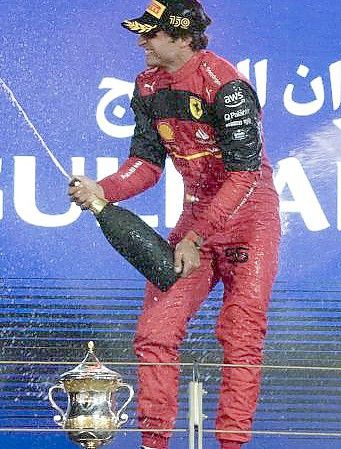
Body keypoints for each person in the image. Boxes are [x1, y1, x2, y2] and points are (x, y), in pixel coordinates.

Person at [68, 1, 280, 447]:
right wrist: (102, 190)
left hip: (250, 220)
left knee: (240, 338)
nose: (141, 40)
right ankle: (154, 445)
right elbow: (146, 164)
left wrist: (197, 237)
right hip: (197, 217)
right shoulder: (146, 86)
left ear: (184, 38)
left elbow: (245, 174)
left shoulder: (227, 85)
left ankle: (231, 445)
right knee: (155, 333)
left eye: (152, 33)